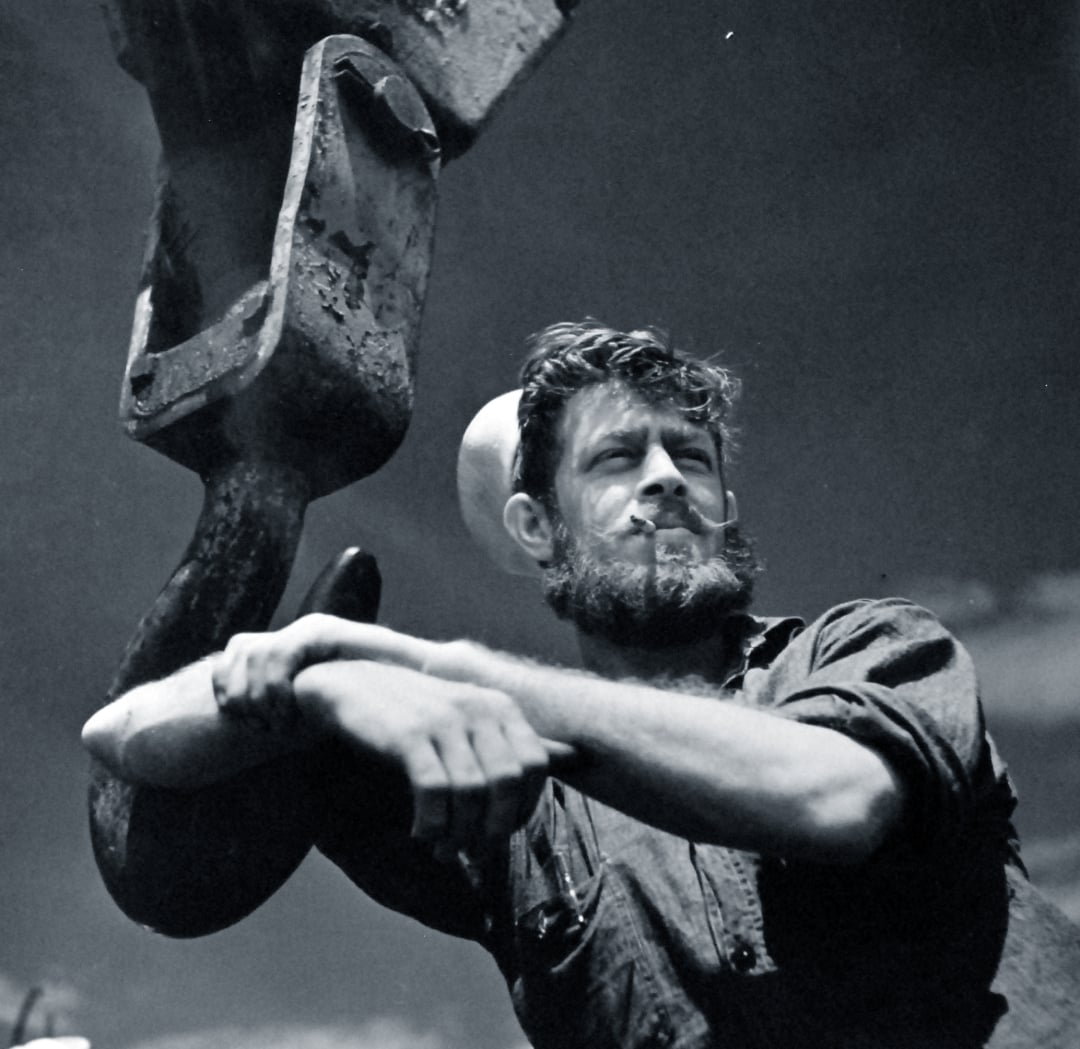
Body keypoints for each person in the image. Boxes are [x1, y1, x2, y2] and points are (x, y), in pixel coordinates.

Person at [84, 321, 1080, 1047]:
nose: (667, 479)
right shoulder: (505, 807)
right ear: (535, 528)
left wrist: (434, 671)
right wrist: (320, 684)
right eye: (616, 460)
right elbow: (128, 739)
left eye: (690, 455)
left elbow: (834, 794)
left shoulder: (870, 646)